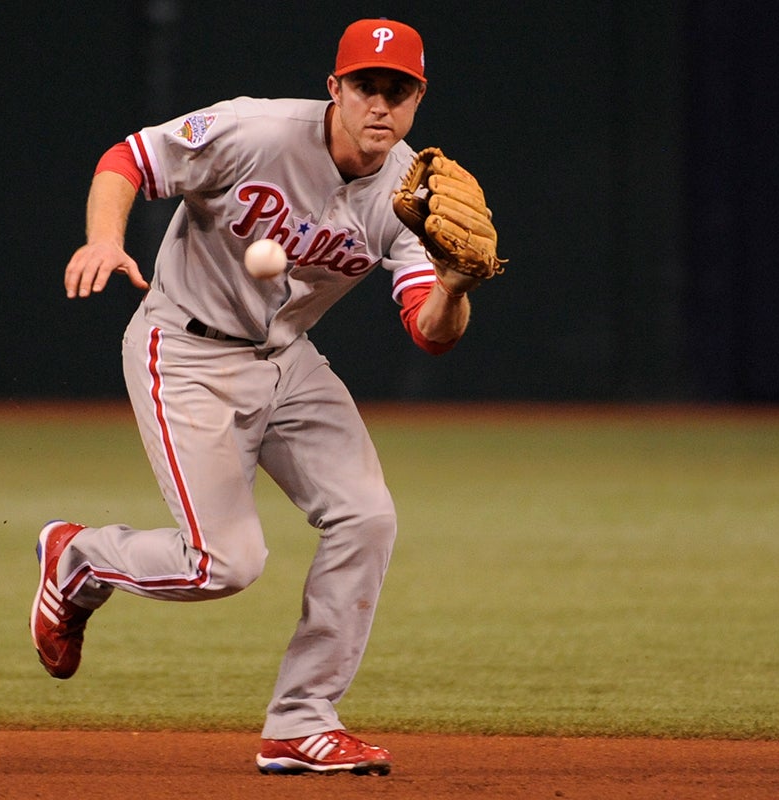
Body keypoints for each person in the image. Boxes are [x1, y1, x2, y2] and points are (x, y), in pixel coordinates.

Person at [31, 18, 489, 775]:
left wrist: (454, 285)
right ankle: (77, 558)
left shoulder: (413, 194)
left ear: (417, 100)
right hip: (185, 351)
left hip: (287, 359)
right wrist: (104, 238)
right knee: (223, 565)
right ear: (334, 89)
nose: (380, 105)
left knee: (367, 516)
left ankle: (301, 721)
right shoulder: (256, 130)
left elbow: (431, 333)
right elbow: (130, 159)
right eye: (366, 87)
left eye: (397, 91)